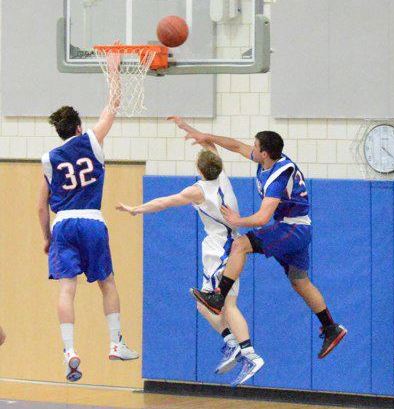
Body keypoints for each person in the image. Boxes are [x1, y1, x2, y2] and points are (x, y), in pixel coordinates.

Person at [171, 117, 347, 384]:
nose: (251, 148)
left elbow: (263, 218)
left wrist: (237, 221)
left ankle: (219, 296)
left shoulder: (278, 176)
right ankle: (331, 326)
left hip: (292, 229)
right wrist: (206, 136)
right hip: (297, 228)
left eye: (255, 146)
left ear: (264, 152)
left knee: (241, 243)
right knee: (299, 281)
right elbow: (237, 146)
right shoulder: (268, 159)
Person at [116, 134, 263, 386]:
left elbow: (164, 202)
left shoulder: (199, 191)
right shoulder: (223, 178)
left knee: (227, 305)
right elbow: (211, 146)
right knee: (204, 305)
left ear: (199, 169)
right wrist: (193, 131)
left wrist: (136, 209)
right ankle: (232, 342)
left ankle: (248, 353)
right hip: (229, 246)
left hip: (220, 251)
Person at [38, 44, 138, 383]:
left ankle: (69, 351)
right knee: (107, 283)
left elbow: (40, 205)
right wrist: (113, 70)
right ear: (79, 126)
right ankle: (115, 343)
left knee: (67, 290)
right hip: (92, 221)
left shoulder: (48, 159)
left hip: (63, 225)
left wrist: (47, 239)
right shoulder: (93, 142)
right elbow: (113, 106)